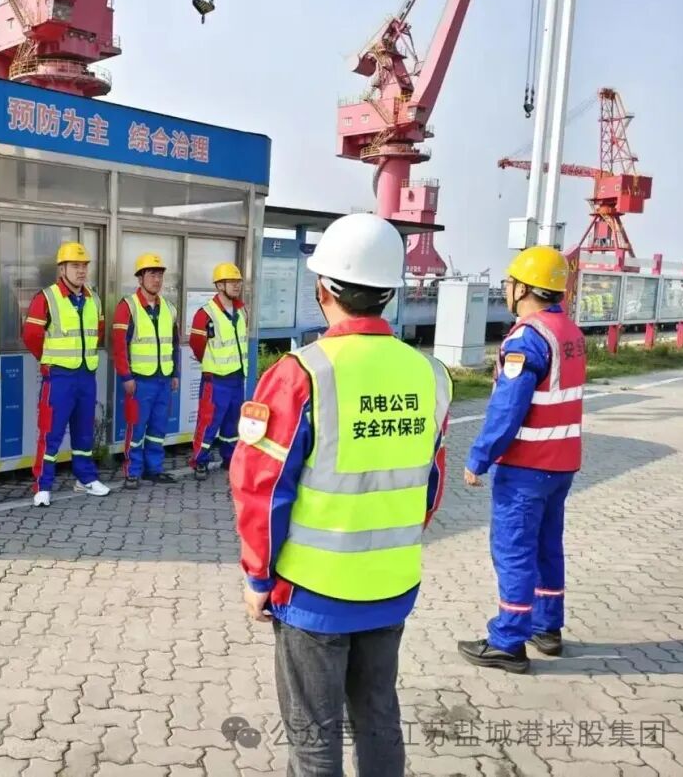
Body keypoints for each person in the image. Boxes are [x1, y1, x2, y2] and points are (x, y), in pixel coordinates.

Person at [230, 213, 452, 776]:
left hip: (314, 594)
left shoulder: (300, 374)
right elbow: (430, 484)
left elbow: (262, 490)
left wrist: (258, 578)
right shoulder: (430, 374)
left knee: (313, 737)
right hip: (392, 585)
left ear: (323, 289)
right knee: (378, 718)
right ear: (389, 293)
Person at [458, 245, 584, 673]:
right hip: (561, 463)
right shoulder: (568, 332)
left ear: (524, 289)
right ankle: (547, 628)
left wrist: (479, 457)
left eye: (510, 283)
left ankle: (508, 641)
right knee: (548, 546)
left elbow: (507, 408)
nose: (507, 289)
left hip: (527, 465)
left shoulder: (527, 337)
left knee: (514, 550)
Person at [22, 242, 112, 506]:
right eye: (75, 266)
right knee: (50, 433)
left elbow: (98, 331)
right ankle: (43, 486)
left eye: (84, 266)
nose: (81, 271)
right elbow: (31, 336)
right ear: (62, 269)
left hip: (86, 376)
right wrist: (49, 360)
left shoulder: (94, 298)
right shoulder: (46, 298)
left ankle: (86, 479)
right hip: (59, 378)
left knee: (84, 432)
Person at [111, 253, 181, 489]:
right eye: (151, 274)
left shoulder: (169, 308)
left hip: (163, 380)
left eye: (160, 274)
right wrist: (126, 376)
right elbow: (119, 346)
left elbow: (174, 344)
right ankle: (132, 471)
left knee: (158, 428)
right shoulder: (127, 307)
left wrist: (175, 374)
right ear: (140, 278)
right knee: (137, 427)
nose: (157, 279)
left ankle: (154, 469)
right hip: (140, 381)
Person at [189, 262, 248, 480]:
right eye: (231, 282)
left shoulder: (241, 311)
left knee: (232, 424)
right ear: (219, 285)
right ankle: (199, 461)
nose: (236, 285)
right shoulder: (205, 314)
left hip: (237, 378)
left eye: (238, 281)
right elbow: (197, 345)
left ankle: (229, 458)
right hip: (215, 380)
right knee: (208, 422)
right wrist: (211, 364)